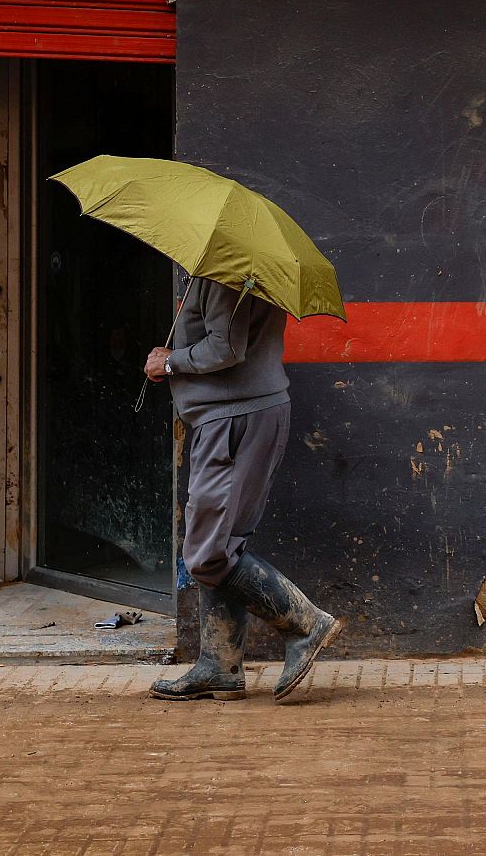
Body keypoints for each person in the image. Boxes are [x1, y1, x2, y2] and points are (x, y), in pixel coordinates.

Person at [142, 273, 342, 702]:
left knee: (208, 553)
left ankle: (306, 624)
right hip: (235, 415)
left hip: (234, 418)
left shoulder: (223, 275)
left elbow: (225, 348)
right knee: (222, 542)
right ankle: (220, 665)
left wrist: (171, 361)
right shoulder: (235, 270)